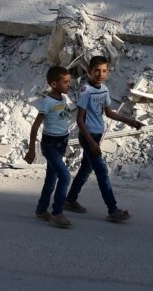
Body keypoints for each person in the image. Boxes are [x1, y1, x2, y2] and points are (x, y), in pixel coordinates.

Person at [64, 55, 143, 222]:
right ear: (89, 72)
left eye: (104, 71)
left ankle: (69, 200)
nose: (100, 74)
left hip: (96, 136)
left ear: (108, 73)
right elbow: (79, 120)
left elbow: (109, 113)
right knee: (102, 172)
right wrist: (92, 143)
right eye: (97, 71)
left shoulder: (104, 89)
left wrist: (130, 121)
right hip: (88, 137)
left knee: (86, 169)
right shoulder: (86, 91)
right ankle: (112, 209)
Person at [24, 65, 74, 228]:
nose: (69, 85)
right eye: (65, 82)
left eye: (69, 81)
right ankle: (57, 212)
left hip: (61, 143)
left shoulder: (63, 99)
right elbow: (35, 126)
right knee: (65, 176)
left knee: (51, 180)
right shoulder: (48, 102)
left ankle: (41, 210)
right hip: (50, 145)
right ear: (54, 84)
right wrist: (31, 150)